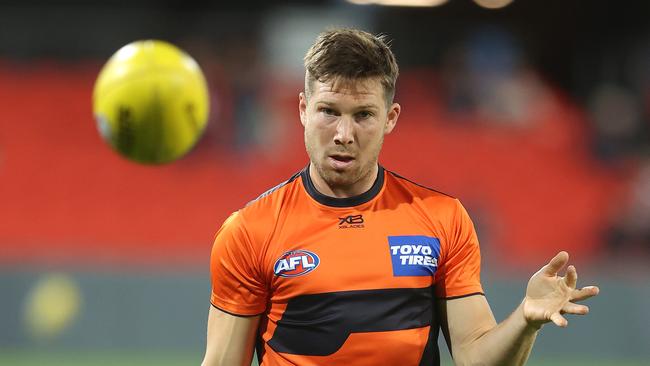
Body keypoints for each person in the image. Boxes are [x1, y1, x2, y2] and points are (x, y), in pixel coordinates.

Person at [201, 28, 600, 366]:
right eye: (328, 111)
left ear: (390, 118)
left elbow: (475, 356)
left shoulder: (442, 219)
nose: (343, 134)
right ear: (303, 110)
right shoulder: (250, 230)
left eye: (363, 115)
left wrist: (525, 320)